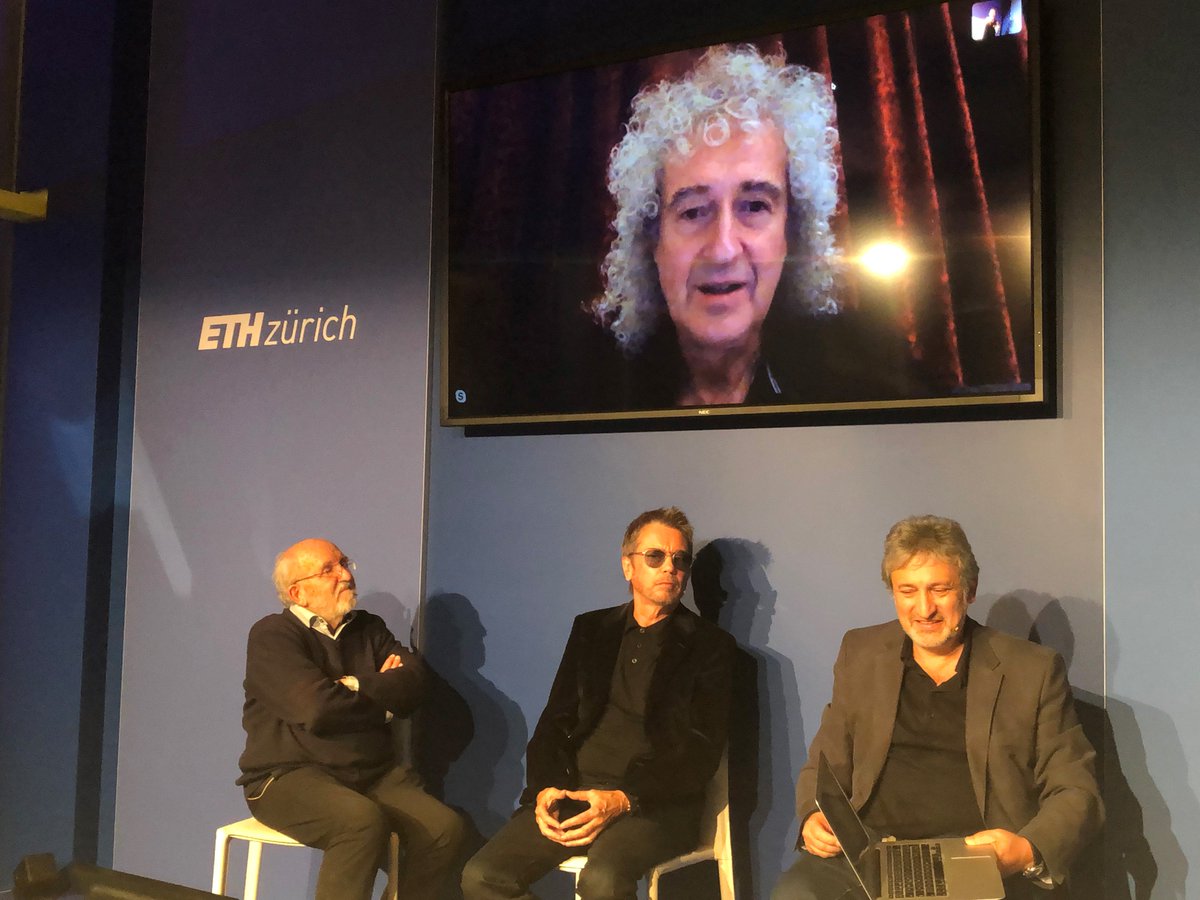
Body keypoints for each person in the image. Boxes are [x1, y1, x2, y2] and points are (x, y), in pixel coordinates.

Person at [772, 516, 1103, 900]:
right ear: (893, 592)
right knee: (794, 894)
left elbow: (1076, 789)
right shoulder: (860, 652)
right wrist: (814, 817)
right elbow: (825, 761)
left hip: (975, 853)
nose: (924, 608)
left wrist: (1024, 851)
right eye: (908, 590)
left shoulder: (1033, 670)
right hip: (870, 851)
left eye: (940, 589)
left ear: (969, 590)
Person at [462, 507, 735, 900]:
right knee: (483, 875)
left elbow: (700, 749)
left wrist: (624, 799)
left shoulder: (711, 646)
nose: (670, 568)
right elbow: (555, 719)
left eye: (680, 559)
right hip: (574, 793)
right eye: (655, 556)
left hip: (653, 805)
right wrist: (544, 790)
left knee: (602, 881)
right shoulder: (591, 629)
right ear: (628, 566)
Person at [589, 44, 842, 407]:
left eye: (754, 206)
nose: (723, 249)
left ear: (792, 234)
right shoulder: (583, 396)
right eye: (692, 212)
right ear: (652, 240)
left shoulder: (861, 393)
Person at [237, 538, 464, 900]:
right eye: (328, 569)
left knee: (444, 829)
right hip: (287, 776)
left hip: (370, 773)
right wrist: (384, 697)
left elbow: (417, 684)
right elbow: (316, 709)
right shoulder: (273, 636)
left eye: (344, 563)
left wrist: (354, 684)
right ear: (299, 593)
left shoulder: (368, 628)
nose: (344, 574)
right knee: (359, 822)